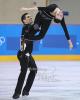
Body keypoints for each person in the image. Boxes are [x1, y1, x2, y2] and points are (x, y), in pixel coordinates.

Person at [12, 13, 38, 99]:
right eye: (28, 17)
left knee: (33, 69)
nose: (30, 17)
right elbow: (23, 42)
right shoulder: (26, 27)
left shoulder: (29, 27)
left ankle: (26, 91)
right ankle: (17, 93)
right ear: (24, 20)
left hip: (28, 55)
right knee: (23, 72)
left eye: (30, 16)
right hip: (23, 55)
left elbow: (37, 29)